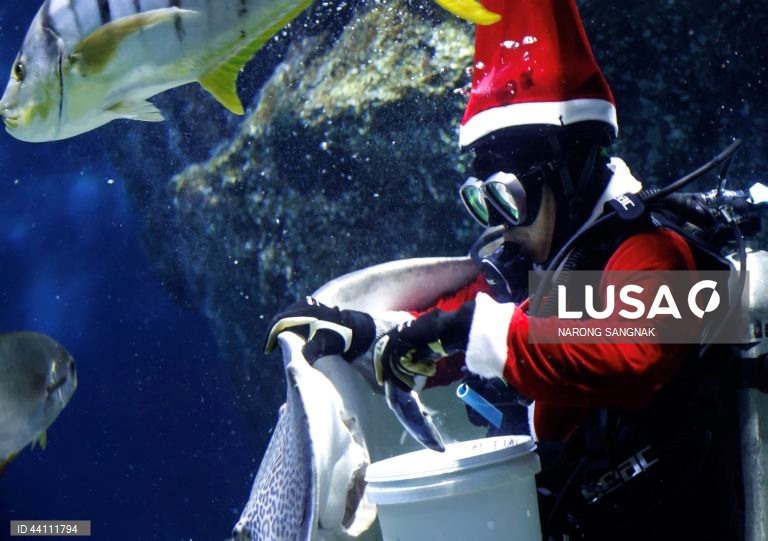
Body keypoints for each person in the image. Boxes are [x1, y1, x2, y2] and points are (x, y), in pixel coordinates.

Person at [265, 1, 744, 539]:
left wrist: (471, 330)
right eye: (481, 202)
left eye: (508, 199)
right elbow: (466, 316)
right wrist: (372, 332)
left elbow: (631, 352)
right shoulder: (549, 265)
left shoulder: (656, 251)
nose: (499, 224)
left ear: (568, 173)